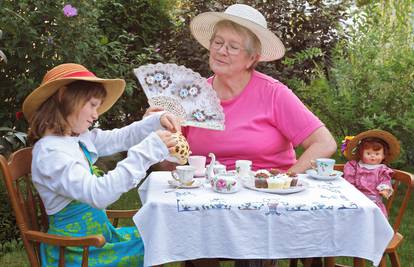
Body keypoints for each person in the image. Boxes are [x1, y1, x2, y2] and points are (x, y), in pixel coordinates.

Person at [149, 3, 337, 267]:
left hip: (265, 201)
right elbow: (170, 164)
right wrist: (158, 136)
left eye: (233, 46)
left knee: (253, 242)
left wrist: (286, 178)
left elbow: (324, 142)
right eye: (217, 42)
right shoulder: (191, 96)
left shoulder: (273, 93)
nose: (221, 51)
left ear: (252, 58)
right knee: (192, 232)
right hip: (208, 201)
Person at [22, 63, 180, 266]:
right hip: (77, 250)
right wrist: (147, 152)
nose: (96, 115)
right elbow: (99, 194)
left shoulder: (73, 139)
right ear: (63, 96)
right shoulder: (50, 153)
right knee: (161, 241)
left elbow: (120, 138)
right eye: (92, 105)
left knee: (164, 233)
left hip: (97, 238)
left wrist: (157, 121)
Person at [342, 129, 400, 217]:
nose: (373, 156)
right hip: (356, 198)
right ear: (361, 154)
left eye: (377, 154)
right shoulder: (355, 166)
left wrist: (384, 189)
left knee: (374, 220)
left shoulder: (382, 169)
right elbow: (349, 179)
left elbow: (385, 180)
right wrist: (351, 189)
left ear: (384, 156)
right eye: (368, 153)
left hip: (373, 202)